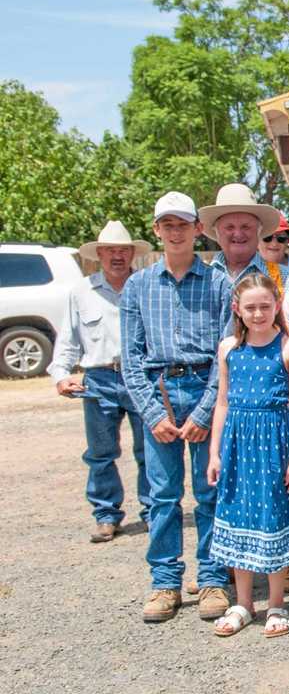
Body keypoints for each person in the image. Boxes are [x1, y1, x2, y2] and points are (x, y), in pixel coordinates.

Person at [121, 192, 233, 624]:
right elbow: (131, 359)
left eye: (182, 224)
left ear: (197, 229)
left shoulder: (219, 284)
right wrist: (152, 414)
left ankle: (211, 579)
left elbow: (226, 352)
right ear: (156, 231)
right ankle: (165, 582)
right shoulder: (138, 286)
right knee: (163, 495)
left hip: (205, 386)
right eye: (167, 225)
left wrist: (206, 412)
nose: (175, 232)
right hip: (160, 390)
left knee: (209, 492)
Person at [206, 274, 289, 637]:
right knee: (237, 514)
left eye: (265, 306)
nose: (259, 313)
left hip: (272, 445)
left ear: (277, 306)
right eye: (250, 307)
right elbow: (221, 402)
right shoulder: (229, 348)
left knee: (271, 518)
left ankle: (277, 602)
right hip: (236, 443)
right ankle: (243, 603)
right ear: (237, 308)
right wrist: (214, 453)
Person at [50, 221, 154, 543]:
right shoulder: (81, 291)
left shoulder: (148, 286)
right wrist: (61, 374)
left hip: (142, 375)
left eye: (123, 250)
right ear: (99, 255)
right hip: (99, 377)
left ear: (133, 253)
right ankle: (106, 515)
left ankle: (154, 511)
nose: (117, 256)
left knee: (149, 449)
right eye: (110, 250)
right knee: (100, 452)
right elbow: (67, 339)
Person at [202, 183, 279, 284]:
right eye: (229, 227)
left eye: (246, 227)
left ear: (259, 230)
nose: (238, 234)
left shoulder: (285, 279)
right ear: (216, 232)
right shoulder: (198, 279)